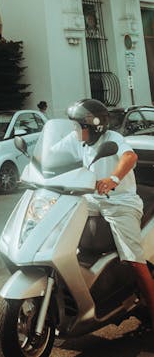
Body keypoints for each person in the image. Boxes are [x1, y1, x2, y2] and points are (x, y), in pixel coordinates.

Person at [55, 98, 154, 323]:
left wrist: (113, 178)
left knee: (134, 260)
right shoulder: (78, 139)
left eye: (78, 125)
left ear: (93, 126)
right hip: (91, 201)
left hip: (120, 202)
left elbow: (130, 157)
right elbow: (51, 155)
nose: (74, 130)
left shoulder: (113, 139)